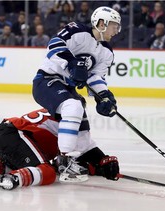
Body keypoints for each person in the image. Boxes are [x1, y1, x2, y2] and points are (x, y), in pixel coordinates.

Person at [32, 6, 121, 179]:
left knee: (81, 121)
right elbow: (54, 45)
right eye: (114, 25)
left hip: (66, 88)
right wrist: (72, 63)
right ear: (101, 23)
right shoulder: (78, 31)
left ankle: (83, 158)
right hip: (46, 80)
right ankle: (64, 161)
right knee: (73, 107)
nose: (116, 30)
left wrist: (104, 96)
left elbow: (95, 78)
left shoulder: (107, 53)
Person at [0, 108, 120, 190]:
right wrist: (103, 161)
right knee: (48, 172)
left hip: (1, 137)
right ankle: (14, 178)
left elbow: (78, 154)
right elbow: (86, 149)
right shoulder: (72, 121)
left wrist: (101, 163)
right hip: (15, 135)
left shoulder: (56, 109)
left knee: (29, 165)